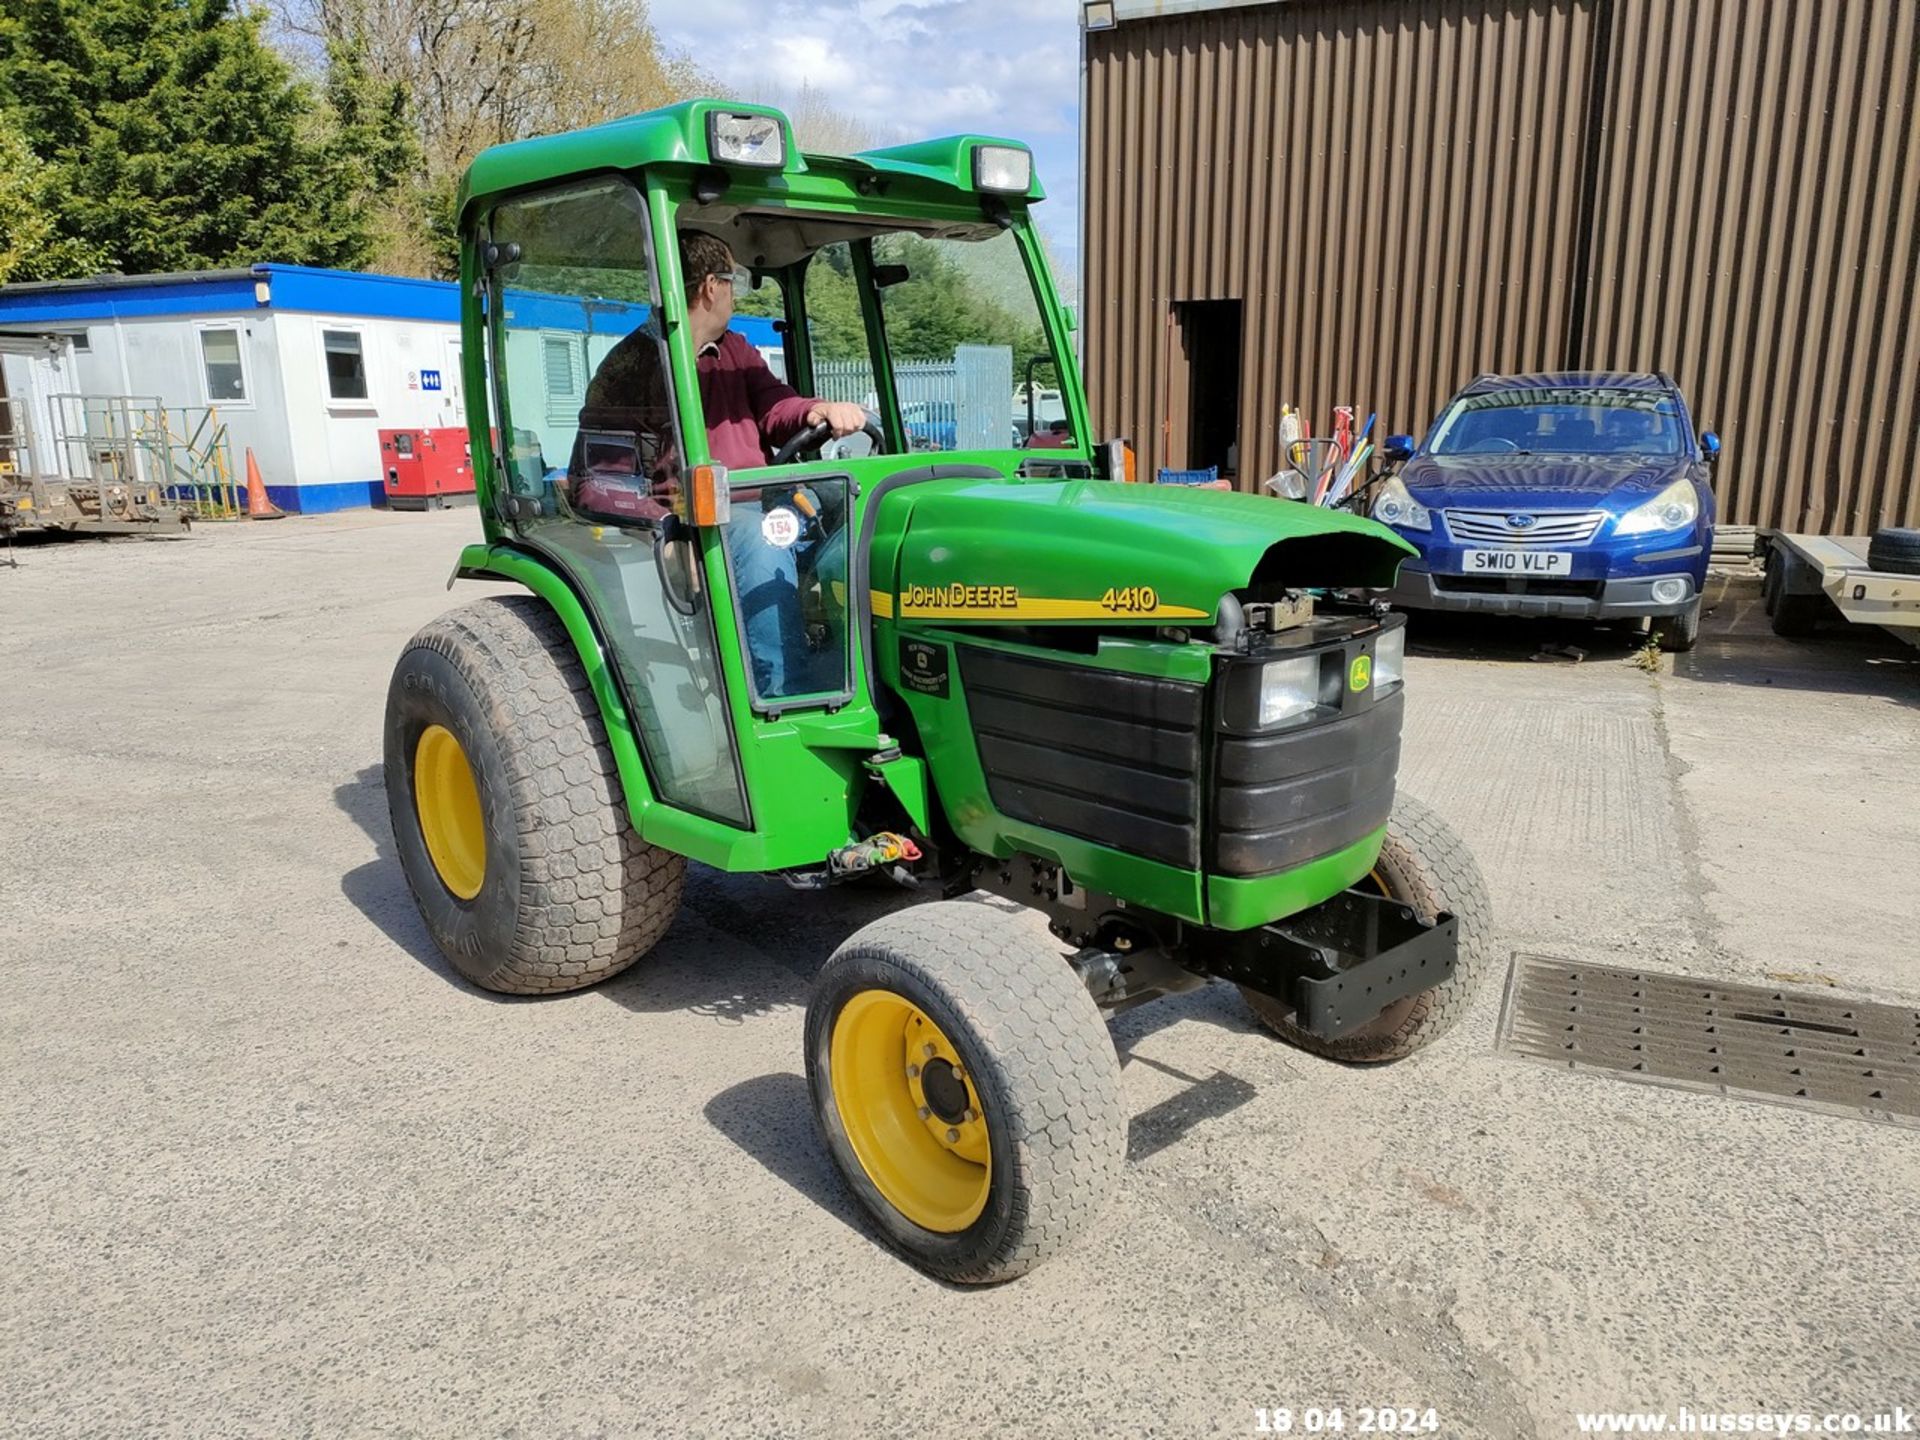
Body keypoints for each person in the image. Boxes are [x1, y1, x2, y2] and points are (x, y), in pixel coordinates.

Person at [574, 230, 867, 698]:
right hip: (699, 521)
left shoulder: (734, 351)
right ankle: (781, 695)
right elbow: (599, 480)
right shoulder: (631, 367)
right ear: (712, 286)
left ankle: (854, 670)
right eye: (735, 281)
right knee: (758, 539)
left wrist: (816, 409)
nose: (735, 294)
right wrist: (668, 532)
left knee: (854, 512)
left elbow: (775, 407)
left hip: (765, 501)